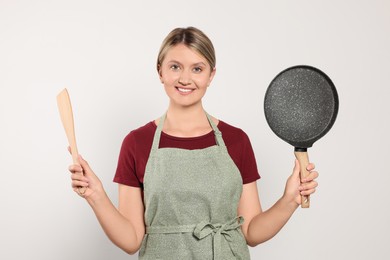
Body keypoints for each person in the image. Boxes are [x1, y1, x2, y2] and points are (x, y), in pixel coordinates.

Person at [68, 27, 319, 259]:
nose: (185, 79)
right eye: (175, 67)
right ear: (160, 71)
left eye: (197, 69)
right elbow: (132, 239)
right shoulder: (137, 142)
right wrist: (96, 195)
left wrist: (290, 200)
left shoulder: (236, 140)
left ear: (211, 75)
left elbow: (251, 231)